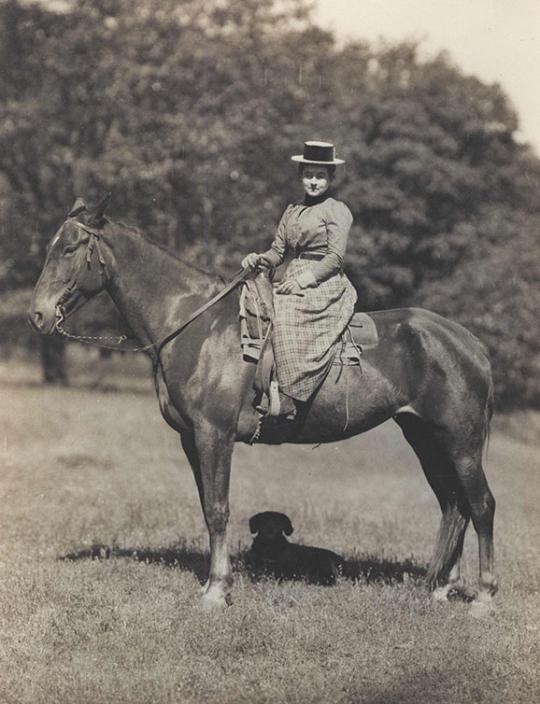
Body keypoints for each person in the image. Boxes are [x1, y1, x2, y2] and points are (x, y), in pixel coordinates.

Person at [242, 140, 357, 419]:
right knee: (258, 305)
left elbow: (335, 258)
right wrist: (258, 258)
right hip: (292, 275)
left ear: (330, 178)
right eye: (309, 175)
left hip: (324, 281)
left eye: (320, 176)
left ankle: (292, 396)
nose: (314, 182)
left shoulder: (336, 210)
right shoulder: (292, 210)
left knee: (286, 314)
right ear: (301, 176)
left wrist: (305, 280)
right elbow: (277, 252)